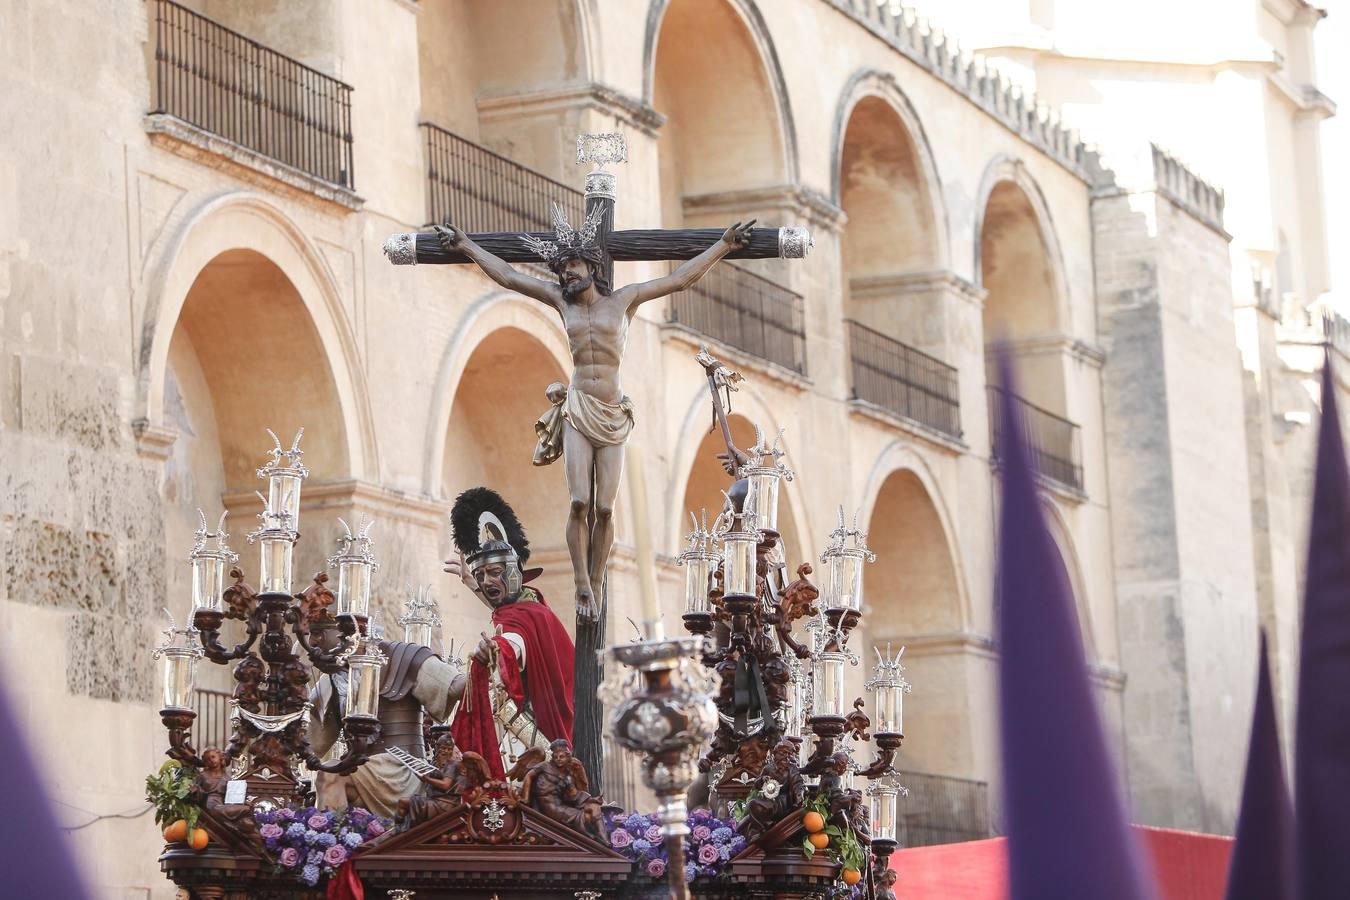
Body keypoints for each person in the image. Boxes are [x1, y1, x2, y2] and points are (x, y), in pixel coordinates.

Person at [434, 214, 755, 623]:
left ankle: (599, 580)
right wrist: (467, 247)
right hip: (578, 408)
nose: (567, 273)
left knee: (605, 508)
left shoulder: (624, 301)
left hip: (613, 413)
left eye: (573, 266)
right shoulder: (559, 299)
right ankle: (582, 583)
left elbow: (679, 281)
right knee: (579, 500)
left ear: (591, 266)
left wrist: (723, 245)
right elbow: (509, 277)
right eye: (562, 268)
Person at [520, 739, 608, 843]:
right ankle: (591, 839)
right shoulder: (545, 766)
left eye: (561, 757)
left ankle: (605, 840)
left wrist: (590, 799)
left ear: (568, 757)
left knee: (594, 807)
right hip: (550, 808)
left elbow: (573, 795)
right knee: (584, 816)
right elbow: (529, 776)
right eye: (556, 757)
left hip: (561, 806)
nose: (558, 759)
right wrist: (525, 798)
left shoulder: (567, 775)